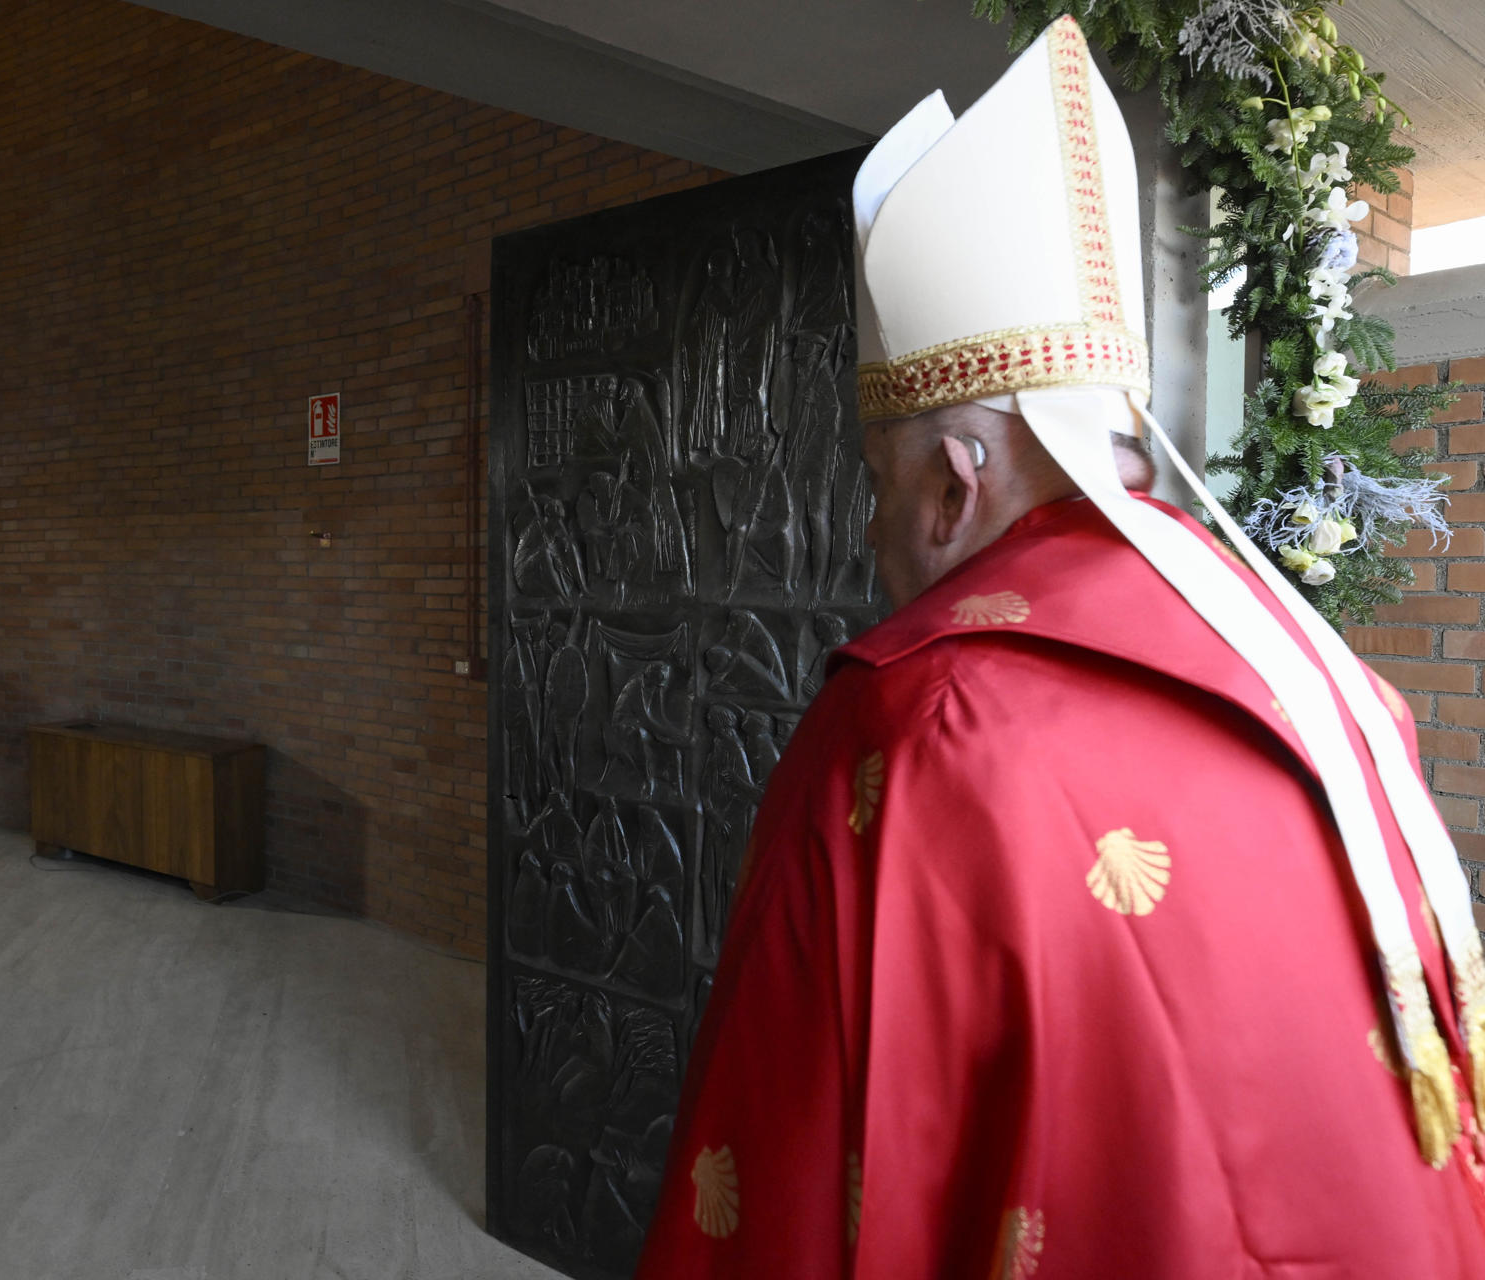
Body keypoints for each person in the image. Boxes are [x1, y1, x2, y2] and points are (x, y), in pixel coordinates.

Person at [635, 17, 1485, 1278]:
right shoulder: (1324, 674)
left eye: (879, 477)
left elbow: (781, 1187)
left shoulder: (913, 727)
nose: (871, 529)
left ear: (954, 483)